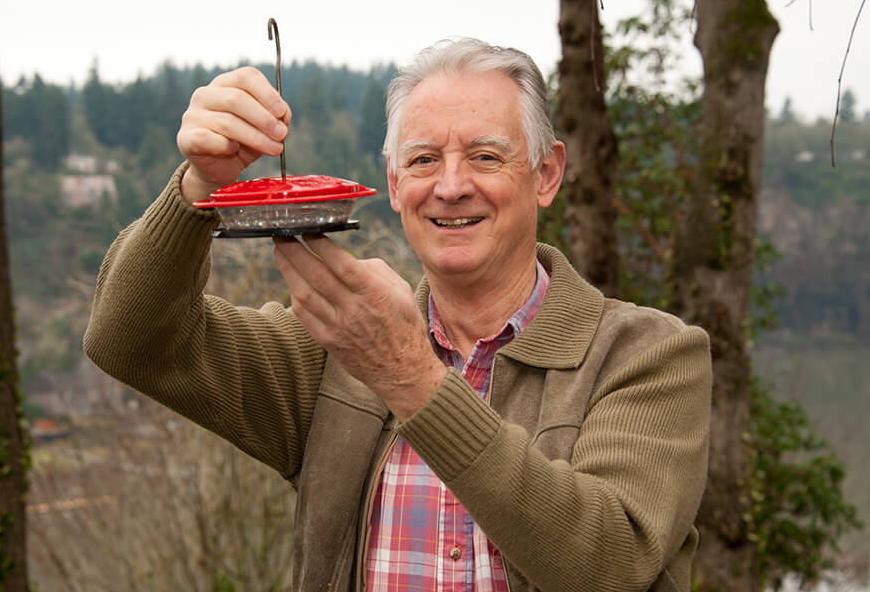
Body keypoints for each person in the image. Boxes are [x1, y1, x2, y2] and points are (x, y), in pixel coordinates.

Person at [84, 38, 712, 592]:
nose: (450, 185)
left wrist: (411, 375)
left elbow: (607, 567)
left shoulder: (648, 355)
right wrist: (201, 185)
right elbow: (129, 340)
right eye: (422, 160)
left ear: (545, 174)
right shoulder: (330, 353)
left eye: (487, 157)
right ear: (392, 181)